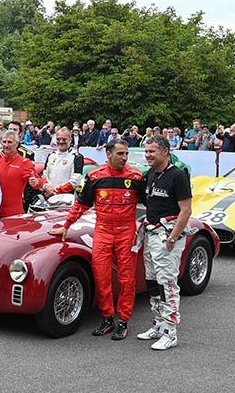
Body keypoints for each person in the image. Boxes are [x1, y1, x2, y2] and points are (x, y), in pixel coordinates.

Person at [49, 140, 144, 340]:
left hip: (127, 231)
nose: (124, 157)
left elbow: (151, 203)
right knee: (101, 276)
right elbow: (81, 205)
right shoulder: (94, 176)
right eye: (120, 153)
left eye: (126, 153)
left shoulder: (136, 176)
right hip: (102, 231)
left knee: (127, 279)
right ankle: (107, 318)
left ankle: (124, 321)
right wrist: (66, 226)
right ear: (108, 154)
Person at [137, 136, 192, 351]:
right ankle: (159, 324)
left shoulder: (178, 176)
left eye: (152, 151)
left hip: (167, 238)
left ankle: (171, 332)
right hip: (150, 235)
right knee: (152, 282)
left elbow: (186, 211)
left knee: (167, 284)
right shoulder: (150, 174)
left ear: (166, 151)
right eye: (147, 151)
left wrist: (172, 238)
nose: (148, 155)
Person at [0, 131, 38, 217]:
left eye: (10, 142)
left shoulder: (24, 162)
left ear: (17, 144)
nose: (6, 145)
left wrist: (35, 182)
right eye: (4, 142)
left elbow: (35, 180)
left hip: (13, 211)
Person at [39, 127, 84, 196]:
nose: (61, 142)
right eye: (58, 139)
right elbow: (44, 175)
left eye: (64, 139)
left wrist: (57, 191)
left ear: (70, 140)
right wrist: (46, 187)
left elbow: (75, 180)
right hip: (48, 196)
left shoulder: (77, 157)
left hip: (66, 199)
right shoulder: (51, 156)